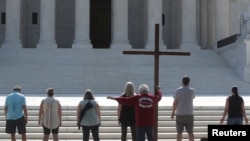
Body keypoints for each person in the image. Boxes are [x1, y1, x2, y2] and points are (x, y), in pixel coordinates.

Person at [171, 75, 195, 141]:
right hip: (189, 113)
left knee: (179, 132)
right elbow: (193, 98)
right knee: (190, 132)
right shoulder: (192, 91)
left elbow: (175, 102)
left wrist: (173, 112)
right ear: (189, 82)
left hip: (180, 113)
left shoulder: (178, 91)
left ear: (182, 82)